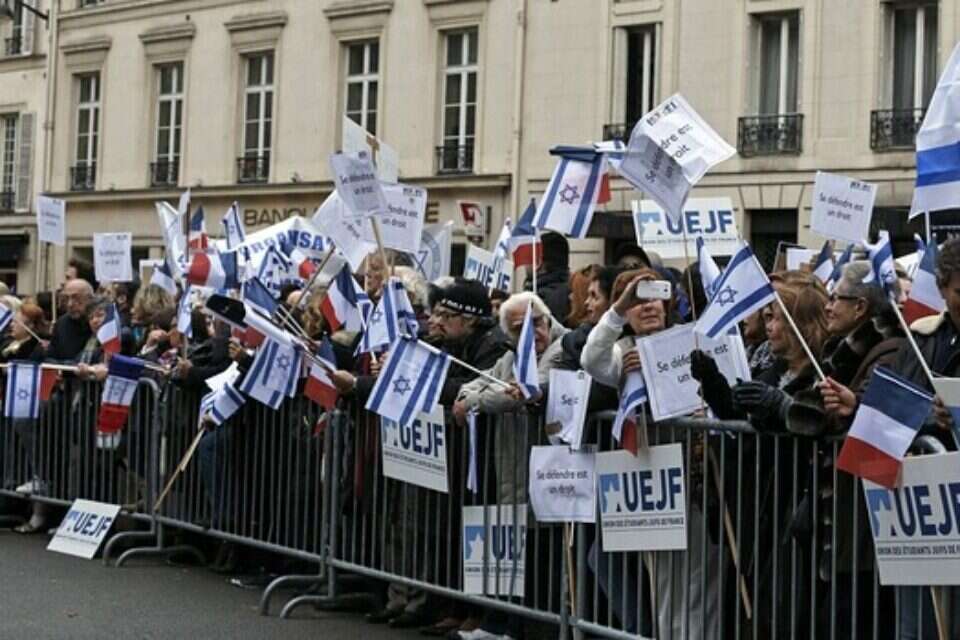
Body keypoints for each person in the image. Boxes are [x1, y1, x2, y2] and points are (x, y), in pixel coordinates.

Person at [452, 292, 567, 640]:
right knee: (516, 552)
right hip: (515, 469)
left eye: (536, 322)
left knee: (543, 556)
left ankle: (525, 628)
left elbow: (524, 391)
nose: (532, 332)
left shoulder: (560, 349)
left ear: (547, 319)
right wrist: (467, 397)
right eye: (520, 329)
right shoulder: (510, 356)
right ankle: (504, 624)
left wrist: (472, 402)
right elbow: (480, 381)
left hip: (552, 470)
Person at [40, 279, 94, 362]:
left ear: (90, 299)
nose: (70, 304)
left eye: (76, 298)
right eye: (66, 299)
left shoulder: (100, 323)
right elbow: (51, 356)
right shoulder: (61, 323)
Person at [525, 232, 570, 322]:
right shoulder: (573, 292)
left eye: (528, 257)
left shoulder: (539, 300)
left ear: (538, 262)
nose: (525, 264)